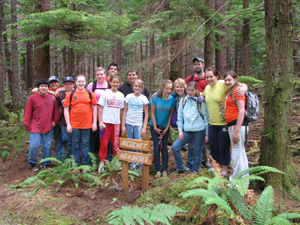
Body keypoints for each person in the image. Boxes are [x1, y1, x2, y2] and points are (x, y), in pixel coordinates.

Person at [202, 67, 247, 176]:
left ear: (216, 76)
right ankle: (215, 166)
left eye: (211, 76)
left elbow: (239, 85)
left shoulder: (223, 83)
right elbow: (201, 96)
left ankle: (225, 168)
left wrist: (245, 87)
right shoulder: (207, 88)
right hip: (212, 123)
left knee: (223, 146)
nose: (209, 79)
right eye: (207, 77)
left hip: (224, 123)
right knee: (213, 146)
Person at [171, 81, 209, 173]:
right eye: (188, 90)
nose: (190, 92)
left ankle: (194, 169)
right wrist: (180, 131)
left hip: (199, 130)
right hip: (187, 130)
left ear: (196, 90)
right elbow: (179, 117)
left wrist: (206, 134)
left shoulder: (200, 102)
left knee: (197, 150)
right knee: (175, 147)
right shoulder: (183, 101)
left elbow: (206, 117)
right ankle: (180, 168)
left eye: (192, 90)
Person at [24, 78, 60, 171]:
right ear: (38, 88)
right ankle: (33, 163)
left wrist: (55, 122)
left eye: (45, 86)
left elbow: (56, 111)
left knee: (47, 146)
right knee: (34, 145)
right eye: (42, 86)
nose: (44, 88)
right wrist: (27, 124)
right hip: (35, 127)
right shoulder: (33, 98)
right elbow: (28, 111)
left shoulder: (51, 98)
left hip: (48, 126)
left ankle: (46, 163)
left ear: (48, 88)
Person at [63, 75, 98, 166]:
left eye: (83, 81)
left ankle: (86, 164)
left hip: (87, 125)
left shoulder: (90, 94)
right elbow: (66, 110)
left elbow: (94, 109)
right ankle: (76, 165)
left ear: (85, 82)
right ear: (76, 83)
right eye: (79, 81)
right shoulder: (70, 94)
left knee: (85, 145)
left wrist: (94, 123)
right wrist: (68, 124)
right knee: (75, 145)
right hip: (74, 125)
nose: (81, 83)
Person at [32, 76, 64, 161]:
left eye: (55, 82)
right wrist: (49, 91)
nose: (54, 84)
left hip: (58, 119)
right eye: (52, 82)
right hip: (46, 119)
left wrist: (58, 90)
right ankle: (46, 160)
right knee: (46, 142)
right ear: (49, 84)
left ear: (58, 83)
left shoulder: (60, 89)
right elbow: (34, 90)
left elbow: (69, 87)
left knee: (58, 139)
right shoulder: (45, 89)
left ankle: (60, 159)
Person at [185, 57, 211, 168]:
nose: (197, 66)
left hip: (207, 110)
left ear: (203, 65)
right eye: (195, 64)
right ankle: (197, 161)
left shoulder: (208, 78)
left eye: (199, 64)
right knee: (194, 140)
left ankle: (208, 161)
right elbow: (181, 89)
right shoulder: (190, 78)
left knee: (206, 137)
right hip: (194, 112)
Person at [224, 71, 249, 181]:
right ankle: (243, 179)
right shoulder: (232, 91)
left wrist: (237, 131)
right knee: (240, 152)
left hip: (237, 125)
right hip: (232, 125)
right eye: (226, 80)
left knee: (236, 154)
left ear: (235, 79)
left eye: (230, 79)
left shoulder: (238, 91)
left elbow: (242, 110)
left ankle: (237, 181)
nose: (227, 82)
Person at [98, 75, 125, 172]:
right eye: (114, 82)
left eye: (117, 82)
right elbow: (100, 108)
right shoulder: (105, 93)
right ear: (110, 82)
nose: (115, 84)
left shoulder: (121, 95)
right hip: (105, 122)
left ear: (119, 83)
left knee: (116, 144)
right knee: (104, 143)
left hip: (116, 123)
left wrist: (122, 124)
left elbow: (122, 110)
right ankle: (102, 162)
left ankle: (117, 161)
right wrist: (100, 121)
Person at [121, 79, 149, 171]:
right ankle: (132, 163)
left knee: (138, 143)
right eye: (136, 86)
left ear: (142, 88)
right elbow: (124, 110)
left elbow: (146, 113)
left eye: (139, 86)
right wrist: (123, 125)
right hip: (129, 122)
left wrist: (144, 127)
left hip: (138, 124)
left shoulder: (144, 98)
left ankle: (139, 163)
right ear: (133, 87)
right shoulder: (128, 97)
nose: (137, 88)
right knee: (130, 142)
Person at [150, 80, 176, 178]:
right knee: (156, 148)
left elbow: (170, 114)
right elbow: (152, 113)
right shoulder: (155, 98)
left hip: (165, 127)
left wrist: (168, 126)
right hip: (155, 126)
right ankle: (158, 170)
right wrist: (155, 127)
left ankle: (164, 169)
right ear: (162, 88)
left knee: (164, 148)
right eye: (167, 88)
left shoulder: (172, 99)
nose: (169, 90)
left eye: (170, 88)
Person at [87, 67, 109, 156]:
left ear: (105, 75)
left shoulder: (109, 85)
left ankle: (103, 156)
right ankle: (91, 156)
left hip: (106, 115)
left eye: (101, 74)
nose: (100, 76)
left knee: (104, 136)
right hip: (94, 114)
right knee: (93, 136)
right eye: (97, 75)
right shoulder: (92, 85)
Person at [58, 76, 75, 160]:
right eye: (66, 84)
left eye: (70, 84)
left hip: (75, 121)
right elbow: (59, 107)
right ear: (64, 85)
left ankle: (74, 158)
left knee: (73, 141)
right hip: (64, 121)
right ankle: (68, 157)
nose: (68, 86)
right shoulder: (61, 95)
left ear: (73, 85)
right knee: (66, 140)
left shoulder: (76, 93)